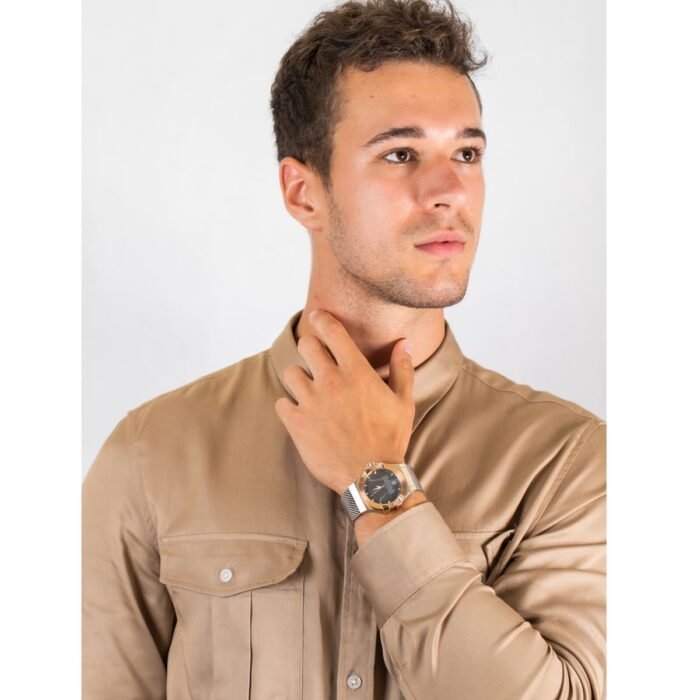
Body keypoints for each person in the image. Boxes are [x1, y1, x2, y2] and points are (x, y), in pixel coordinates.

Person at [82, 0, 606, 698]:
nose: (450, 191)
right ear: (304, 193)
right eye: (400, 154)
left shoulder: (565, 462)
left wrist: (377, 484)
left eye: (467, 153)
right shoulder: (152, 453)